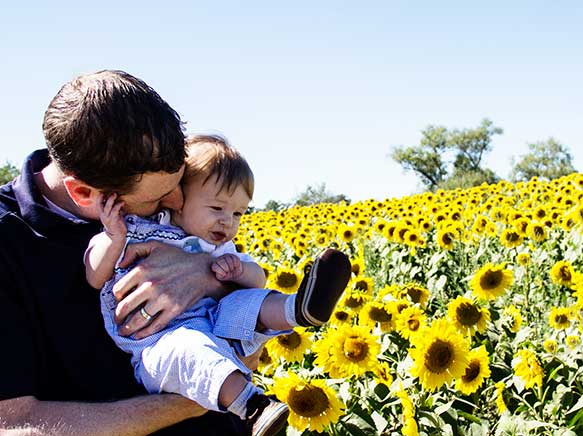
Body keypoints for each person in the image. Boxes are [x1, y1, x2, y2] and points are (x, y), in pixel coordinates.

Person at [0, 70, 337, 435]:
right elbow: (14, 422)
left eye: (178, 188)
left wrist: (204, 272)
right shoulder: (8, 242)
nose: (175, 203)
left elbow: (247, 341)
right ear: (84, 193)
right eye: (156, 201)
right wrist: (194, 396)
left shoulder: (161, 200)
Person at [85, 134, 351, 435]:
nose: (228, 222)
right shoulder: (136, 230)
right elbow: (94, 276)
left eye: (238, 213)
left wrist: (238, 271)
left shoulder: (218, 246)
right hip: (160, 343)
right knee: (192, 350)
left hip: (218, 323)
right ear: (177, 198)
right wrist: (112, 238)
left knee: (246, 301)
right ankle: (253, 406)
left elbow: (257, 278)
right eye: (217, 209)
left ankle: (300, 309)